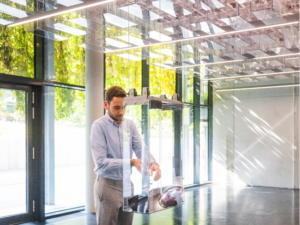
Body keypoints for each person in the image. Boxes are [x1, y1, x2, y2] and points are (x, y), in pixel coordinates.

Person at [91, 86, 161, 225]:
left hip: (127, 186)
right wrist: (131, 162)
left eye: (123, 107)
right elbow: (101, 163)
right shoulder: (98, 126)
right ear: (106, 105)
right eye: (116, 108)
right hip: (107, 186)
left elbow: (140, 148)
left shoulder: (129, 125)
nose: (121, 112)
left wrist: (153, 163)